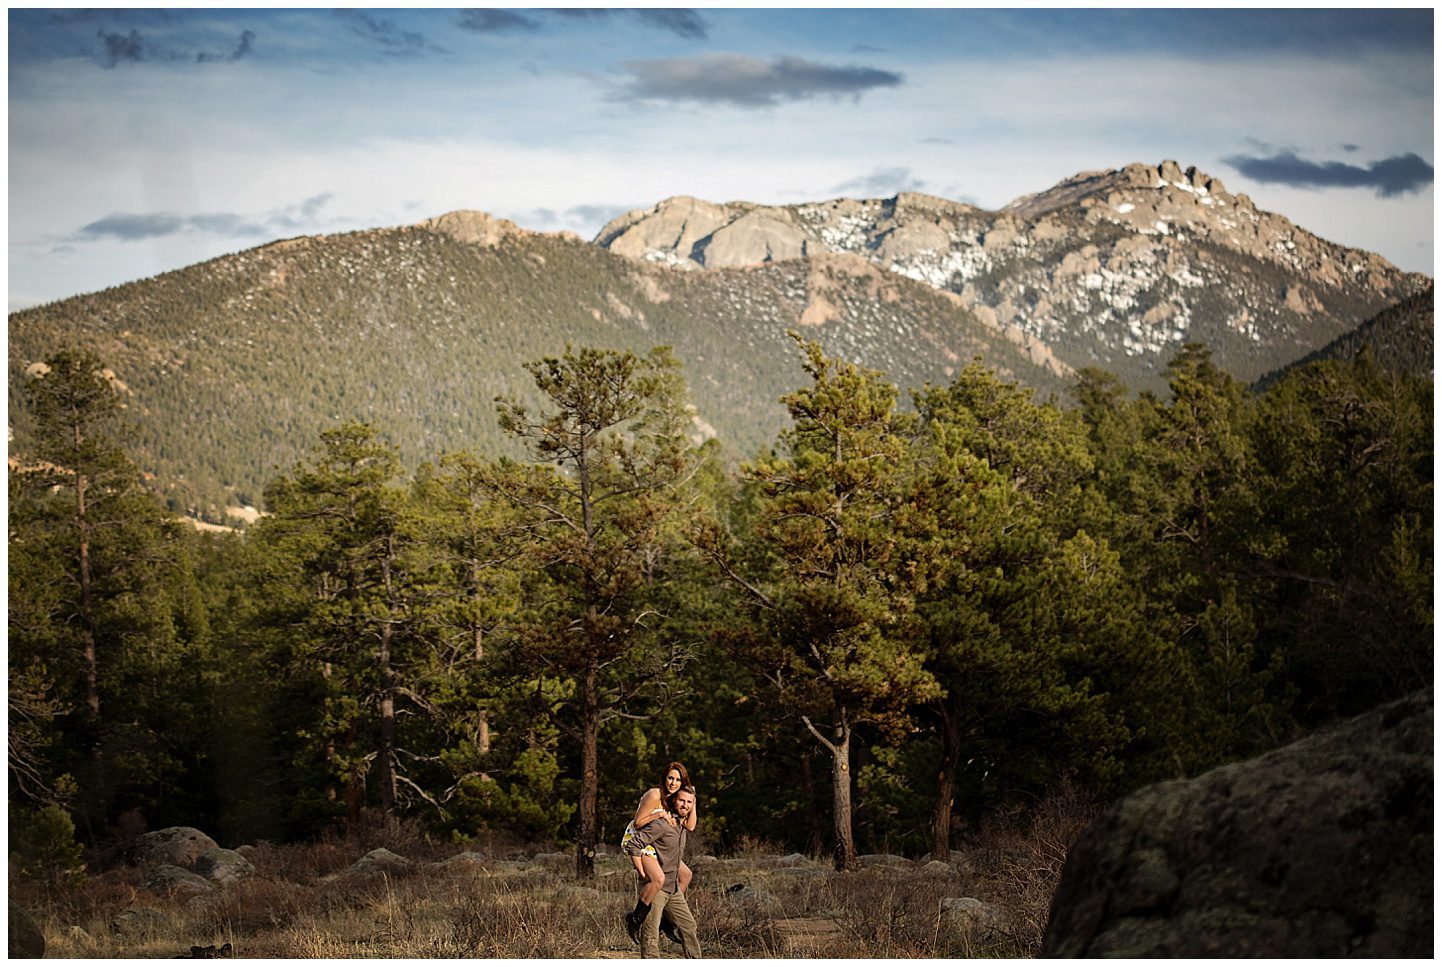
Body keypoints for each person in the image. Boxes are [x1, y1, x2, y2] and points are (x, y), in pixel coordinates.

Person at [623, 785, 701, 958]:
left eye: (689, 802)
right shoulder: (662, 824)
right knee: (651, 935)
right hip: (657, 889)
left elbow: (692, 824)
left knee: (688, 927)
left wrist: (693, 802)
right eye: (682, 800)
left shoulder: (682, 825)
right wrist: (644, 874)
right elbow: (634, 844)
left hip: (673, 889)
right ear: (674, 801)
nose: (685, 805)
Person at [620, 762, 696, 918]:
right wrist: (659, 814)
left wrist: (694, 801)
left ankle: (667, 916)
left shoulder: (677, 797)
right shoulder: (654, 794)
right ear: (664, 778)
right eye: (670, 778)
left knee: (686, 875)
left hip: (657, 841)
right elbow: (638, 822)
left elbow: (690, 826)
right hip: (640, 838)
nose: (673, 783)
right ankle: (637, 917)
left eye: (678, 780)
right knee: (658, 879)